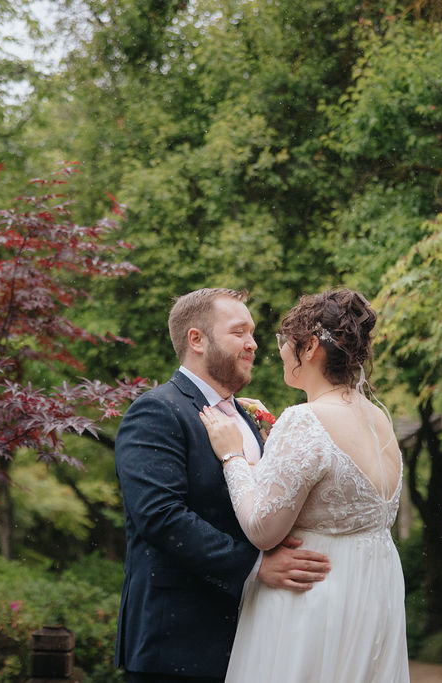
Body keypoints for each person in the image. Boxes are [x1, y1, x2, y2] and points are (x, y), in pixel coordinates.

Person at [113, 287, 332, 683]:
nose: (253, 344)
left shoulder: (248, 417)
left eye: (252, 333)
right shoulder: (157, 410)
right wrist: (256, 565)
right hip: (177, 644)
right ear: (196, 339)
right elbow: (161, 517)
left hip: (250, 639)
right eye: (239, 332)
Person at [198, 288, 410, 682]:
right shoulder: (380, 421)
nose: (277, 351)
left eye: (284, 341)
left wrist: (233, 457)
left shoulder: (305, 420)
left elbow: (262, 529)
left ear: (310, 347)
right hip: (372, 593)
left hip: (314, 599)